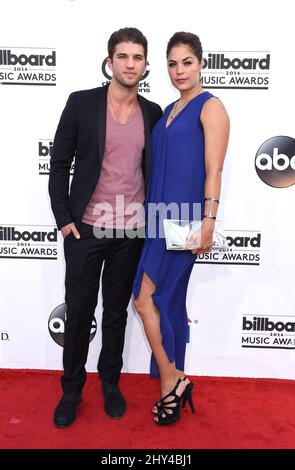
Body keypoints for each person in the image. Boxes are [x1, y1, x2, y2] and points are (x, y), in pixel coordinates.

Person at [48, 27, 162, 428]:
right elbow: (59, 163)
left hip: (130, 232)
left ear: (145, 65)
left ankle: (109, 383)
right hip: (86, 229)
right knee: (79, 313)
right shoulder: (81, 104)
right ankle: (72, 390)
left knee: (114, 314)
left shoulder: (153, 113)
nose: (130, 64)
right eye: (123, 56)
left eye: (138, 57)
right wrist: (64, 218)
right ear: (110, 60)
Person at [133, 32, 230, 425]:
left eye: (187, 62)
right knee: (160, 301)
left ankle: (173, 380)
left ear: (201, 63)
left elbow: (214, 170)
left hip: (187, 220)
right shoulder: (170, 109)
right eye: (172, 64)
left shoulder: (212, 108)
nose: (179, 71)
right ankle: (173, 383)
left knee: (147, 299)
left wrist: (209, 221)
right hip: (157, 217)